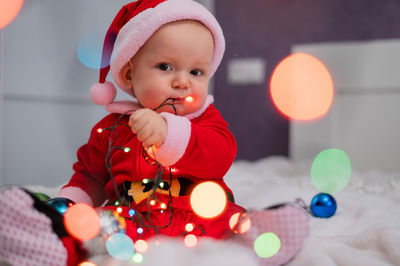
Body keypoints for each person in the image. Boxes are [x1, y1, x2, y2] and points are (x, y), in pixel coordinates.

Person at [0, 0, 309, 265]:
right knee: (95, 232)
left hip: (199, 213)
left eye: (196, 72)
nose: (182, 82)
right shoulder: (111, 129)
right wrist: (70, 206)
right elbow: (90, 177)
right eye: (165, 66)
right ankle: (54, 245)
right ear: (130, 73)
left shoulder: (205, 120)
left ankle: (256, 242)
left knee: (233, 224)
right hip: (134, 218)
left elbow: (221, 155)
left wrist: (169, 134)